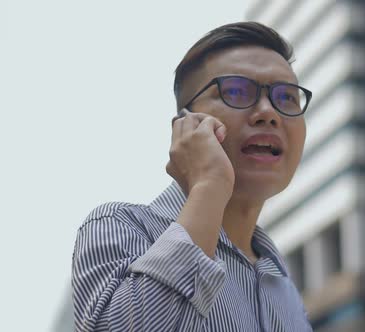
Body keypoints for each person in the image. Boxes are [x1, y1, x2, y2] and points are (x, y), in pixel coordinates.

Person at [71, 22, 313, 332]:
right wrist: (210, 185)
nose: (268, 112)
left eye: (287, 97)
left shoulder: (282, 282)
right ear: (185, 124)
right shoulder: (121, 228)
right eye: (236, 91)